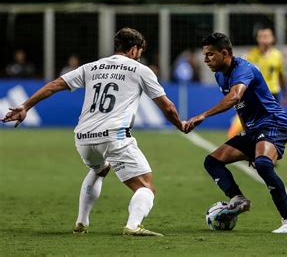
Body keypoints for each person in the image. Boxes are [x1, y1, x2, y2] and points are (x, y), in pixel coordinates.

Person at [1, 27, 186, 236]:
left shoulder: (91, 67)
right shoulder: (139, 70)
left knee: (100, 169)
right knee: (146, 187)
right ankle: (133, 226)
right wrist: (180, 125)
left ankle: (81, 222)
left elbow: (54, 85)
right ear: (134, 50)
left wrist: (25, 106)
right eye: (140, 53)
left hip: (83, 137)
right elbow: (168, 107)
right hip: (114, 136)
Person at [184, 32, 287, 233]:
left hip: (273, 123)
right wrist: (249, 142)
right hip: (254, 129)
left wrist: (202, 116)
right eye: (205, 54)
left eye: (210, 54)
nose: (205, 59)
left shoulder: (243, 69)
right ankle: (237, 198)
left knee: (263, 165)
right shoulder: (220, 75)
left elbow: (235, 97)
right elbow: (241, 108)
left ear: (224, 53)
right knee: (212, 161)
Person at [227, 27, 287, 138]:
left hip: (272, 94)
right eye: (261, 37)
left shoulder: (277, 55)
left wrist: (285, 95)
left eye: (266, 36)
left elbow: (281, 76)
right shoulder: (250, 55)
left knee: (271, 128)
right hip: (254, 95)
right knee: (240, 130)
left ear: (272, 38)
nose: (264, 40)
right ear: (257, 39)